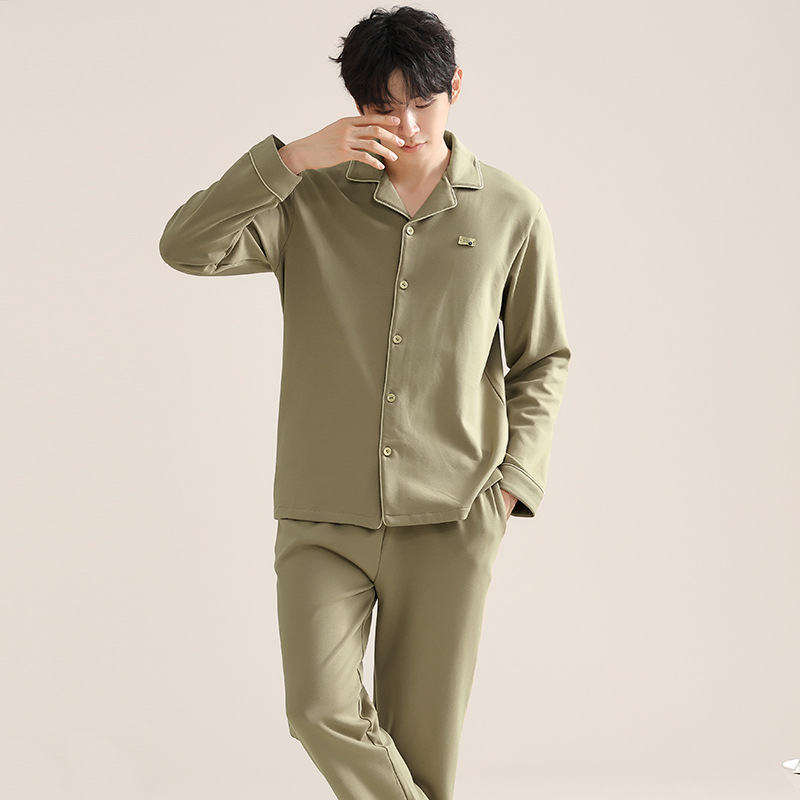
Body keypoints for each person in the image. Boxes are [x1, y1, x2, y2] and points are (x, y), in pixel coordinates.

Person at [158, 6, 571, 799]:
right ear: (355, 105)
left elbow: (542, 356)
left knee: (421, 754)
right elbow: (187, 247)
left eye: (422, 102)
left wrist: (512, 483)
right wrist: (290, 158)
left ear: (456, 87)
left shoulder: (510, 210)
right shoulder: (306, 199)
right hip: (322, 514)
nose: (406, 125)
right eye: (383, 107)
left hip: (452, 516)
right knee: (318, 710)